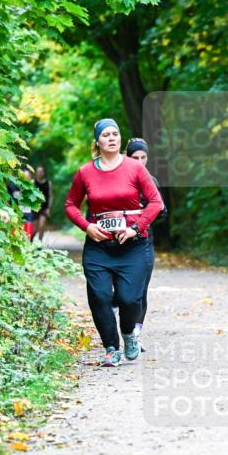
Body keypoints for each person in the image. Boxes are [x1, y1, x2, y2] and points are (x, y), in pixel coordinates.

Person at [65, 119, 164, 367]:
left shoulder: (135, 168)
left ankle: (129, 334)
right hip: (99, 248)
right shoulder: (85, 172)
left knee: (129, 299)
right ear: (97, 142)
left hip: (132, 246)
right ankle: (111, 348)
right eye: (106, 135)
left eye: (115, 134)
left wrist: (135, 228)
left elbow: (155, 203)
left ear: (120, 138)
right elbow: (70, 205)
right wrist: (87, 226)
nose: (112, 138)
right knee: (99, 297)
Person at [125, 137, 167, 351]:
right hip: (119, 243)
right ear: (127, 157)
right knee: (123, 293)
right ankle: (123, 327)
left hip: (144, 241)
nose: (140, 162)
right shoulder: (118, 178)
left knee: (141, 290)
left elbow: (162, 212)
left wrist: (145, 216)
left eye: (143, 157)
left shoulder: (151, 180)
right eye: (135, 158)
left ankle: (135, 335)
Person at [32, 165, 51, 241]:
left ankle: (40, 243)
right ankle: (30, 241)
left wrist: (48, 208)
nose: (40, 173)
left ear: (44, 172)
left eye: (41, 171)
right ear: (36, 173)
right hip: (35, 207)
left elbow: (50, 196)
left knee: (42, 226)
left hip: (44, 208)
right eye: (38, 171)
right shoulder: (33, 182)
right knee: (35, 229)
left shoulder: (48, 183)